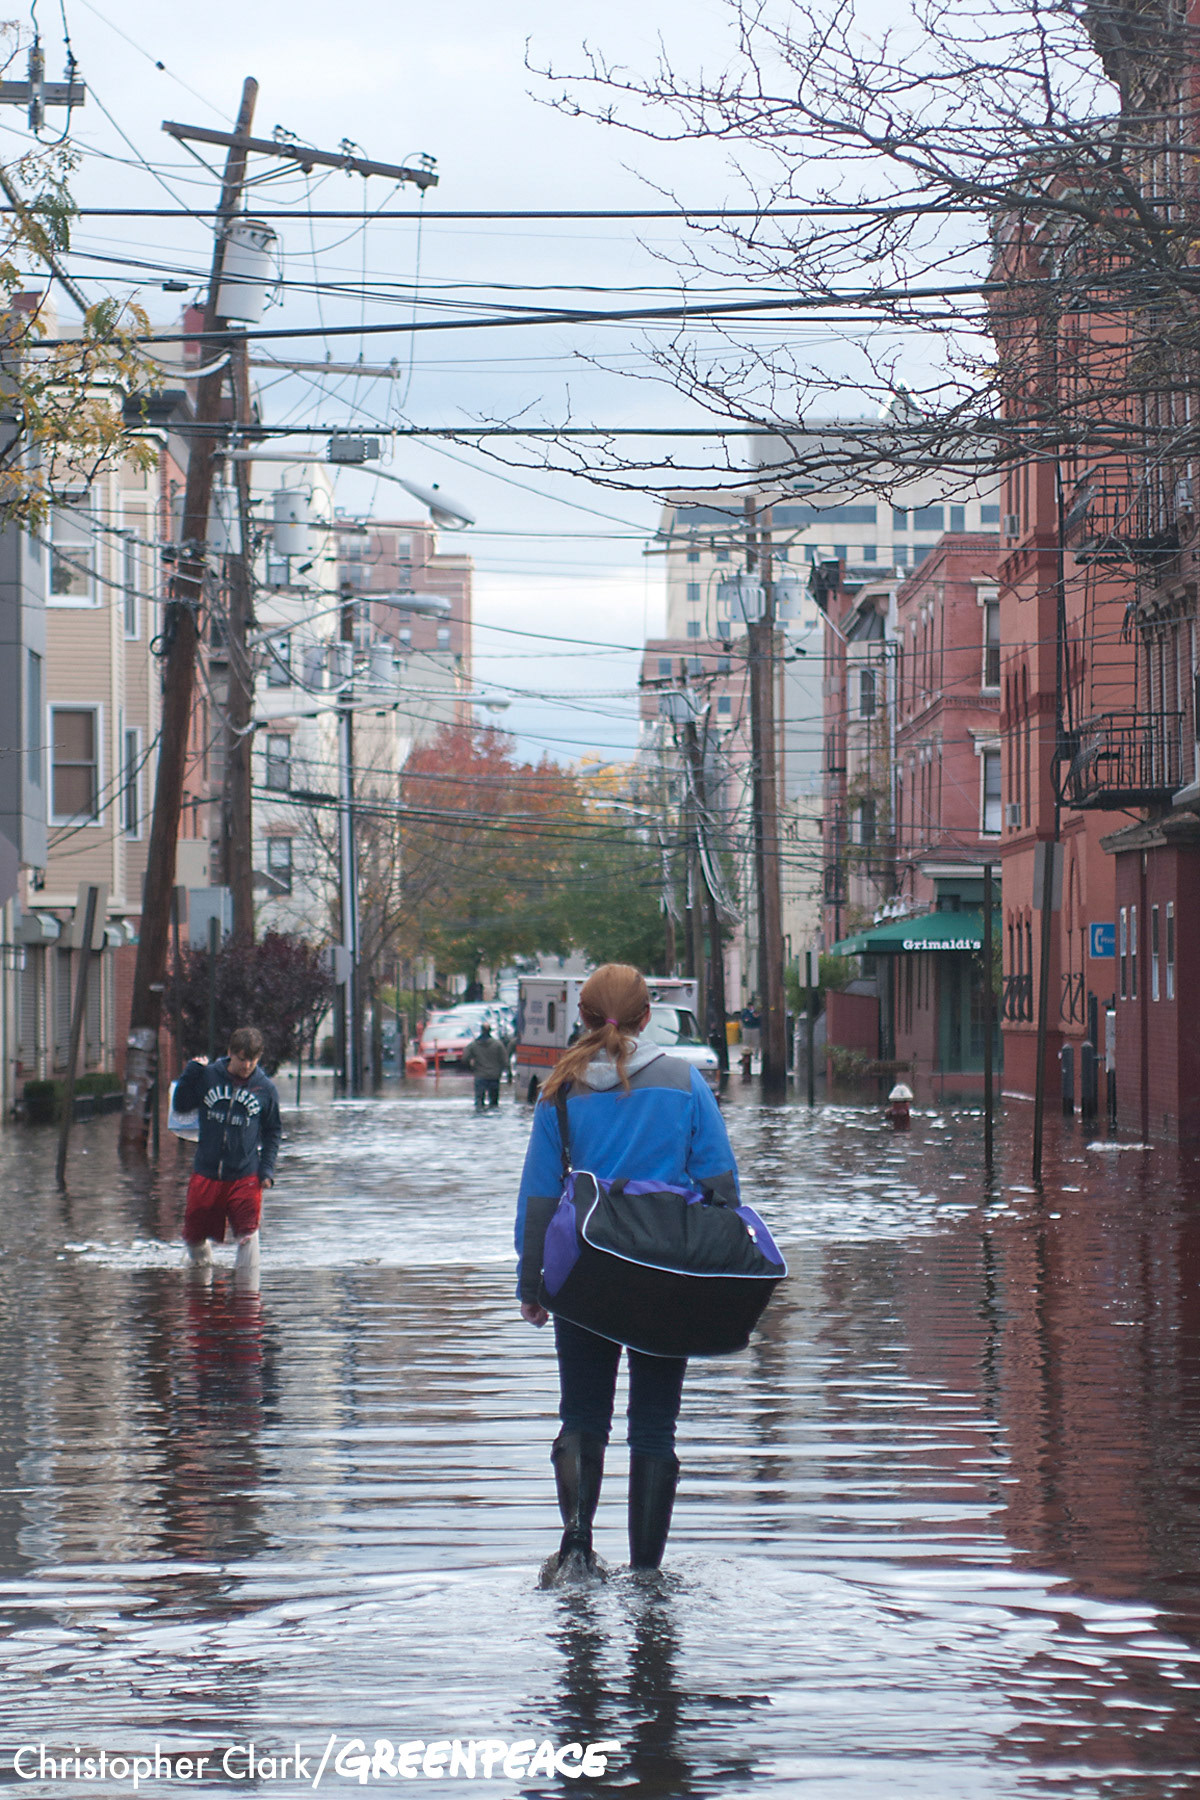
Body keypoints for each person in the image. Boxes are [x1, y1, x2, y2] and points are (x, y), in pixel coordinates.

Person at [514, 963, 739, 1578]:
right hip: (667, 1278)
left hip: (583, 1276)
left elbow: (539, 1196)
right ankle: (647, 1575)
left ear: (582, 1018)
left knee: (583, 1415)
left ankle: (578, 1549)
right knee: (655, 1426)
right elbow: (721, 1188)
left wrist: (532, 1283)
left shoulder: (559, 1089)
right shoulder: (684, 1082)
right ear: (648, 1016)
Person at [172, 1026, 282, 1283]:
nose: (247, 1066)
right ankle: (201, 1272)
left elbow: (273, 1132)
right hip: (207, 1170)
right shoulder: (208, 1076)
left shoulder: (265, 1090)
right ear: (231, 1053)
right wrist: (190, 1074)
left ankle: (247, 1294)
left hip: (245, 1173)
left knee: (247, 1233)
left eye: (253, 1060)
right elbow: (180, 1105)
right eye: (242, 1059)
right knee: (193, 1235)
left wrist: (266, 1170)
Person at [464, 1020, 506, 1110]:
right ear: (490, 1031)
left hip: (480, 1076)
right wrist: (506, 1073)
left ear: (481, 1030)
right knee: (494, 1104)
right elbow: (505, 1061)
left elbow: (464, 1058)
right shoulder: (498, 1045)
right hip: (494, 1077)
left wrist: (471, 1069)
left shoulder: (473, 1045)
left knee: (479, 1103)